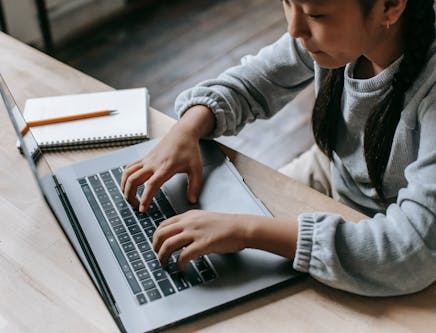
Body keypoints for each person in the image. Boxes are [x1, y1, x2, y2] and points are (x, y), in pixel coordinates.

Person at [120, 0, 436, 296]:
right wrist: (186, 130)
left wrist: (247, 231)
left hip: (400, 237)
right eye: (287, 3)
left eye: (316, 15)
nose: (294, 30)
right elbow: (255, 80)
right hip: (337, 174)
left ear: (391, 6)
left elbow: (410, 251)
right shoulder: (333, 37)